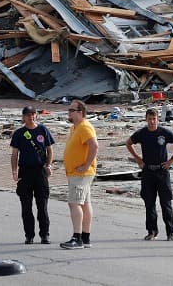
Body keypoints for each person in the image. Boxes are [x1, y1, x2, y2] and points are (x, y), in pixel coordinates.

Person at [126, 108, 173, 241]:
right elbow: (128, 143)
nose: (152, 121)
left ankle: (170, 232)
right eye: (149, 119)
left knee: (166, 203)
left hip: (162, 171)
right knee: (149, 203)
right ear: (146, 119)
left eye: (154, 119)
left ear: (158, 119)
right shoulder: (142, 133)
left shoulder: (164, 132)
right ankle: (152, 231)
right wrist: (137, 158)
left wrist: (172, 160)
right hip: (148, 172)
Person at [9, 105, 55, 244]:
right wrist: (14, 171)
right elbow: (14, 154)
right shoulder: (19, 133)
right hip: (25, 171)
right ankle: (29, 235)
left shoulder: (43, 130)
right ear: (23, 117)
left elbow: (49, 150)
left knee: (42, 205)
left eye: (33, 114)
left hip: (40, 171)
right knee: (26, 206)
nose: (31, 117)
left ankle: (44, 234)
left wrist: (48, 165)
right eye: (28, 115)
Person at [60, 100, 98, 250]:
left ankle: (77, 238)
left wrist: (86, 165)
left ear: (80, 112)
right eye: (69, 110)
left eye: (71, 110)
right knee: (84, 203)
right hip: (77, 172)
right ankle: (86, 236)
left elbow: (94, 146)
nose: (68, 112)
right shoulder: (74, 128)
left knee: (74, 203)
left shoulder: (84, 127)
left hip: (81, 173)